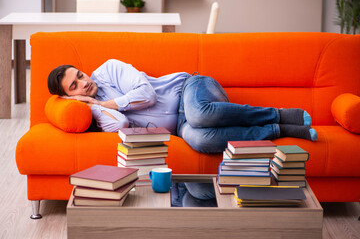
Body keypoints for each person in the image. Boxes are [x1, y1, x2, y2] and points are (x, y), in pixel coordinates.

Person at [48, 59, 317, 206]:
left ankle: (277, 113)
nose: (84, 83)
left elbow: (147, 94)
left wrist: (100, 102)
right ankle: (278, 129)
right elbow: (120, 125)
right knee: (198, 137)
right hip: (181, 127)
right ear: (70, 98)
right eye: (74, 87)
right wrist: (91, 107)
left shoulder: (109, 69)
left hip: (191, 88)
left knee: (200, 115)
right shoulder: (96, 112)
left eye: (80, 75)